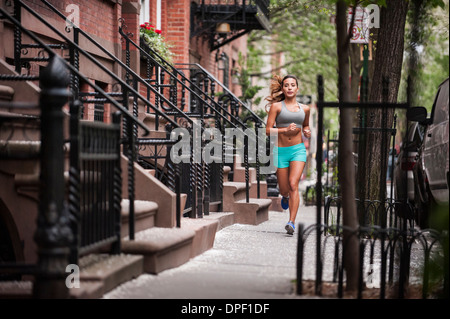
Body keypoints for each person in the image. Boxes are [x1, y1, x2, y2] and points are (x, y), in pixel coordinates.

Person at [265, 74, 311, 235]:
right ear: (283, 89)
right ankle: (284, 197)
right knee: (284, 189)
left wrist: (307, 131)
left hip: (297, 150)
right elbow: (268, 130)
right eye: (286, 85)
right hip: (280, 151)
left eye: (293, 85)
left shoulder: (305, 108)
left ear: (297, 89)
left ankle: (291, 222)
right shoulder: (277, 107)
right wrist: (285, 129)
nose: (290, 87)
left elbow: (305, 126)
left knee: (293, 184)